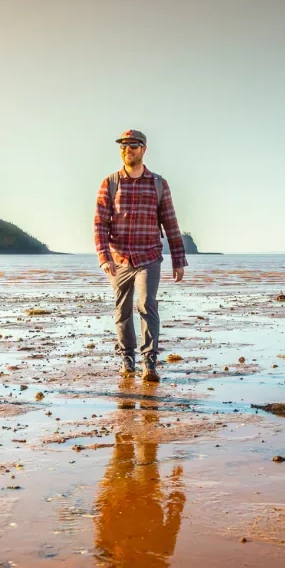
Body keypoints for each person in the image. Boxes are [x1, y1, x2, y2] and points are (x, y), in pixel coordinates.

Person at [93, 129, 187, 382]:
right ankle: (127, 358)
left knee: (147, 304)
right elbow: (100, 223)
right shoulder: (110, 183)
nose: (127, 149)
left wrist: (178, 260)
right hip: (120, 257)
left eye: (133, 145)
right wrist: (104, 256)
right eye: (123, 146)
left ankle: (150, 361)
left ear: (143, 149)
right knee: (122, 309)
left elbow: (170, 222)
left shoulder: (158, 184)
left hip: (149, 256)